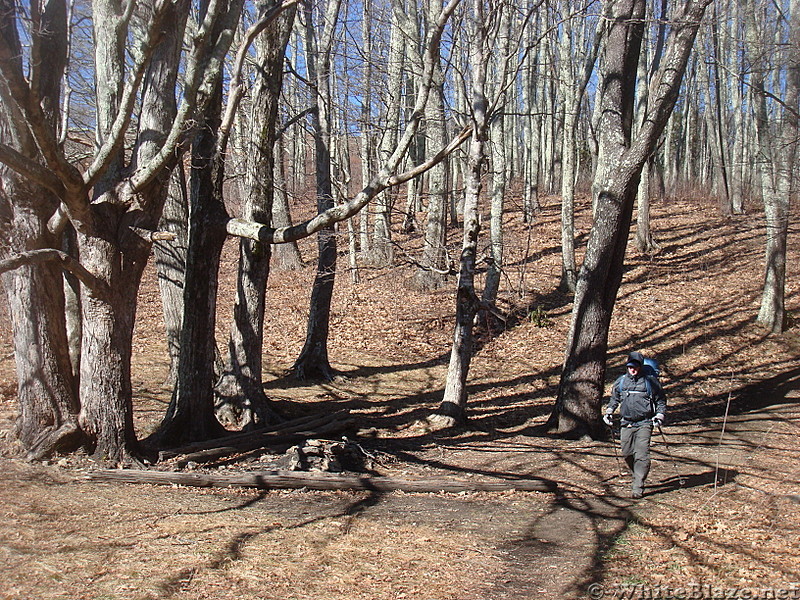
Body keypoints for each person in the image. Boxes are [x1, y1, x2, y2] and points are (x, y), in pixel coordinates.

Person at [603, 351, 666, 499]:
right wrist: (609, 411)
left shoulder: (650, 382)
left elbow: (661, 400)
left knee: (642, 454)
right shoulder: (622, 381)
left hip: (645, 422)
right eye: (630, 366)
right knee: (627, 452)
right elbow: (615, 398)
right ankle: (637, 473)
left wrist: (659, 415)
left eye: (636, 366)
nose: (633, 369)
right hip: (626, 422)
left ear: (641, 367)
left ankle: (638, 486)